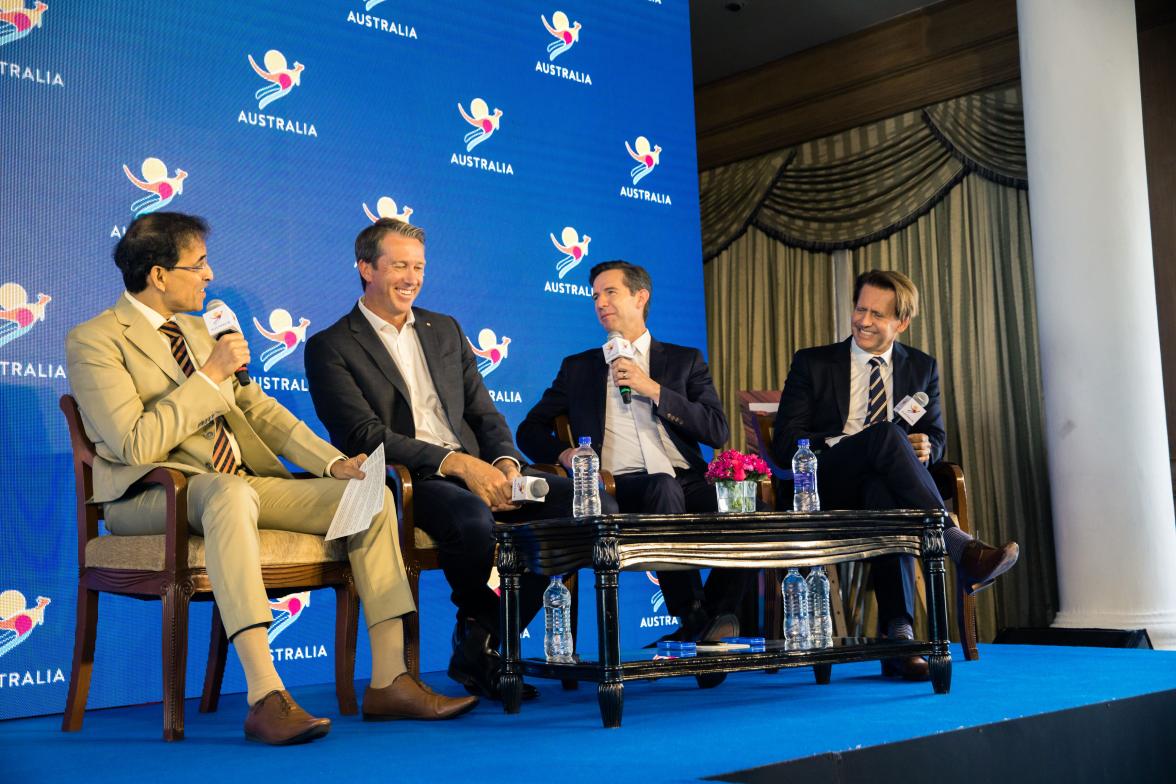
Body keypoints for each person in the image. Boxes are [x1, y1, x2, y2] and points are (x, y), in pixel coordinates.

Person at [65, 212, 476, 746]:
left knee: (369, 496)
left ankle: (391, 680)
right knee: (229, 494)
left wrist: (335, 463)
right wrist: (210, 376)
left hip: (237, 484)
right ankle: (265, 695)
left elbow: (259, 411)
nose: (209, 276)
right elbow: (135, 444)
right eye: (199, 264)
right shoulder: (95, 340)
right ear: (159, 275)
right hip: (153, 496)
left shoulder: (200, 329)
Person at [304, 218, 609, 701]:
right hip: (408, 478)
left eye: (419, 266)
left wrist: (507, 463)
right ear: (365, 267)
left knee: (589, 507)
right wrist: (460, 465)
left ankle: (482, 636)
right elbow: (363, 434)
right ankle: (484, 642)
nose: (411, 277)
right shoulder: (331, 346)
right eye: (398, 265)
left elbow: (484, 412)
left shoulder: (444, 329)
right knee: (470, 519)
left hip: (480, 465)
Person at [771, 269, 1020, 679]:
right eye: (859, 309)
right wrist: (858, 442)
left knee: (885, 491)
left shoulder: (921, 367)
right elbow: (786, 443)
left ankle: (899, 637)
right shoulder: (814, 363)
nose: (863, 321)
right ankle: (958, 545)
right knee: (885, 434)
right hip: (825, 481)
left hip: (883, 483)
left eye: (877, 314)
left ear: (901, 322)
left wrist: (926, 447)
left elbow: (936, 435)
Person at [517, 260, 750, 645]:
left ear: (640, 297)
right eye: (595, 296)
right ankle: (694, 616)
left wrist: (653, 388)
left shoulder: (683, 360)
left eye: (610, 292)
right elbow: (530, 429)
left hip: (688, 479)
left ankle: (715, 616)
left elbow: (716, 430)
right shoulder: (579, 368)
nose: (600, 303)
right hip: (620, 485)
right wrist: (565, 455)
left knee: (742, 500)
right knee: (662, 487)